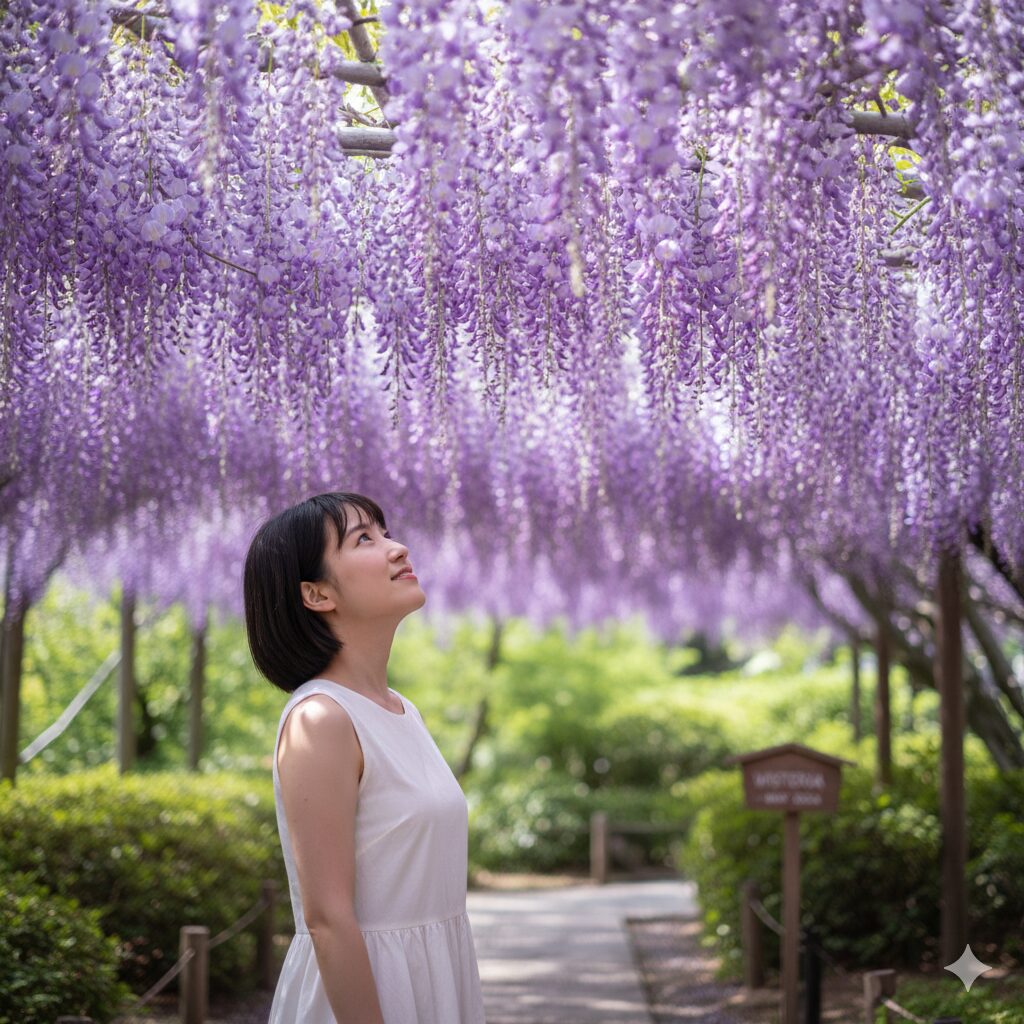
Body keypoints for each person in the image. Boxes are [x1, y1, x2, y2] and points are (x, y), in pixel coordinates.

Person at [243, 491, 486, 1024]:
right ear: (316, 593)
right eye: (364, 539)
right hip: (362, 999)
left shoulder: (403, 712)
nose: (397, 549)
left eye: (386, 531)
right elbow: (327, 919)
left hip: (434, 981)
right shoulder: (320, 720)